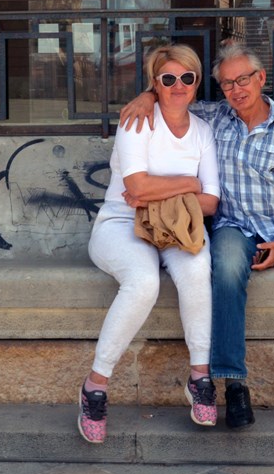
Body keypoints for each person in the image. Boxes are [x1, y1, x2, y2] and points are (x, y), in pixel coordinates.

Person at [121, 44, 274, 432]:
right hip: (233, 226)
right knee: (227, 270)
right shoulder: (214, 118)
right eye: (227, 84)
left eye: (243, 79)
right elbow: (175, 93)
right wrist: (148, 95)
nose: (236, 89)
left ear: (261, 79)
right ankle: (234, 384)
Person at [79, 45, 220, 444]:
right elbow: (135, 188)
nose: (178, 86)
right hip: (121, 224)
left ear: (197, 82)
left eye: (187, 78)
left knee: (197, 269)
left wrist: (156, 192)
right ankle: (95, 385)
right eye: (168, 78)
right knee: (143, 282)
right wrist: (189, 183)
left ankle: (199, 377)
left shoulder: (203, 131)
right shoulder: (137, 121)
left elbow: (211, 201)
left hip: (177, 226)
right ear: (155, 83)